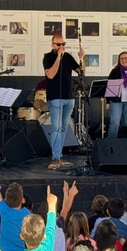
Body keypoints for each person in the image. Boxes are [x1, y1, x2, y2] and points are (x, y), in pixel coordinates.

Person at [43, 33, 85, 170]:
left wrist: (82, 59)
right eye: (58, 44)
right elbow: (50, 74)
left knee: (63, 128)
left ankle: (59, 156)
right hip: (55, 97)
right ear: (52, 45)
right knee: (55, 128)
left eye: (63, 44)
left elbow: (81, 72)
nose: (61, 47)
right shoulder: (48, 57)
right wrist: (58, 58)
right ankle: (55, 158)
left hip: (69, 97)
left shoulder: (68, 57)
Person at [6, 185, 57, 251]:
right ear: (43, 236)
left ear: (22, 236)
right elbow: (51, 227)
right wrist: (52, 204)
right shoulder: (47, 248)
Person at [106, 51, 127, 139]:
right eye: (122, 58)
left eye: (126, 58)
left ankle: (125, 145)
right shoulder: (115, 71)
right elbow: (108, 86)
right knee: (114, 123)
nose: (124, 60)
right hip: (116, 101)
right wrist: (108, 102)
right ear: (119, 60)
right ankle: (111, 144)